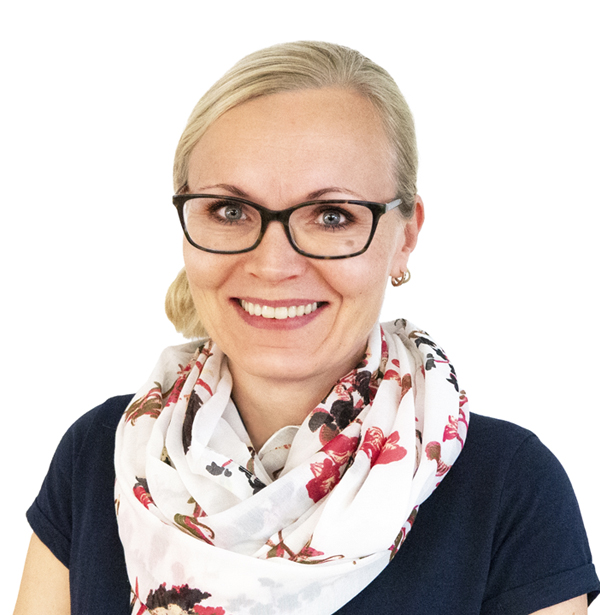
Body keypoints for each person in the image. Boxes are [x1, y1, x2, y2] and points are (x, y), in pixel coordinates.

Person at [14, 41, 599, 615]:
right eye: (230, 210)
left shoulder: (509, 490)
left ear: (406, 236)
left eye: (332, 216)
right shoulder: (101, 456)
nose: (273, 265)